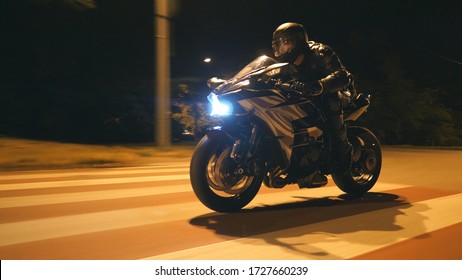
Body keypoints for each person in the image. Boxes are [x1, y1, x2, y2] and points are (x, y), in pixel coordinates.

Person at [271, 22, 353, 175]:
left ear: (297, 41)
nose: (281, 49)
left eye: (285, 43)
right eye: (278, 44)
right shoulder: (286, 65)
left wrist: (319, 85)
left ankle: (342, 159)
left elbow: (341, 75)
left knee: (330, 103)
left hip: (336, 93)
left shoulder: (321, 52)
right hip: (307, 99)